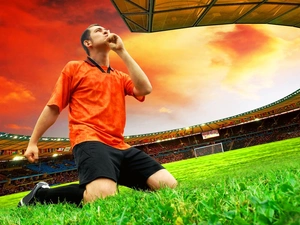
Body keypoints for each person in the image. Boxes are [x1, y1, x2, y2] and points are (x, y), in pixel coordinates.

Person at [18, 24, 177, 207]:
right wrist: (33, 142)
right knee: (103, 198)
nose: (105, 31)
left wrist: (122, 51)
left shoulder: (120, 76)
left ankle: (108, 179)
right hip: (89, 140)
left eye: (106, 29)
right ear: (88, 43)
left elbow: (145, 89)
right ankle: (41, 195)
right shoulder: (74, 68)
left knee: (169, 186)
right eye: (98, 30)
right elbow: (53, 107)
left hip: (119, 145)